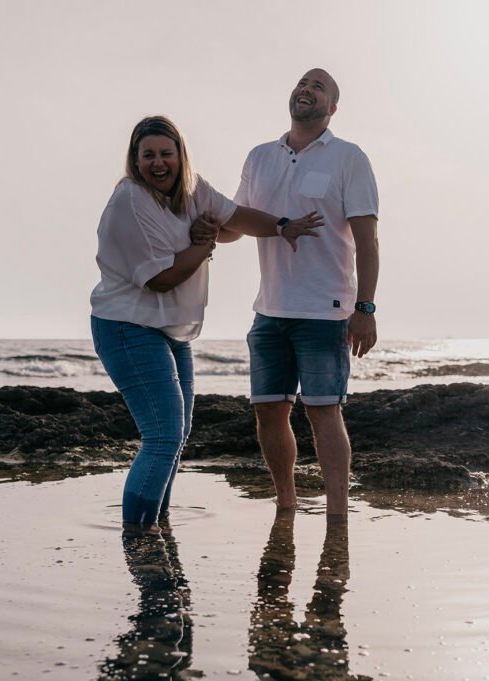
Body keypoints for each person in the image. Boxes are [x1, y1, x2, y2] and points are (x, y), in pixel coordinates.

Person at [90, 115, 323, 535]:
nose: (158, 163)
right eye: (148, 156)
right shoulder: (130, 201)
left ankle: (156, 526)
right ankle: (138, 536)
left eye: (166, 153)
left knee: (176, 436)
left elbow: (235, 215)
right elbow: (163, 279)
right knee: (162, 435)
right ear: (135, 160)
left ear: (180, 155)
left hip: (170, 331)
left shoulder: (193, 189)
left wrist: (282, 226)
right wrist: (203, 243)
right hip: (127, 327)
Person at [226, 68, 380, 516]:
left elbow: (367, 241)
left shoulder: (349, 158)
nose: (306, 89)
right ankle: (286, 506)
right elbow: (235, 224)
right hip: (269, 310)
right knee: (269, 412)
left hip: (326, 310)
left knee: (323, 412)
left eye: (319, 86)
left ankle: (336, 513)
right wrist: (201, 225)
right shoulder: (259, 157)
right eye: (302, 83)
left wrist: (365, 307)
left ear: (332, 107)